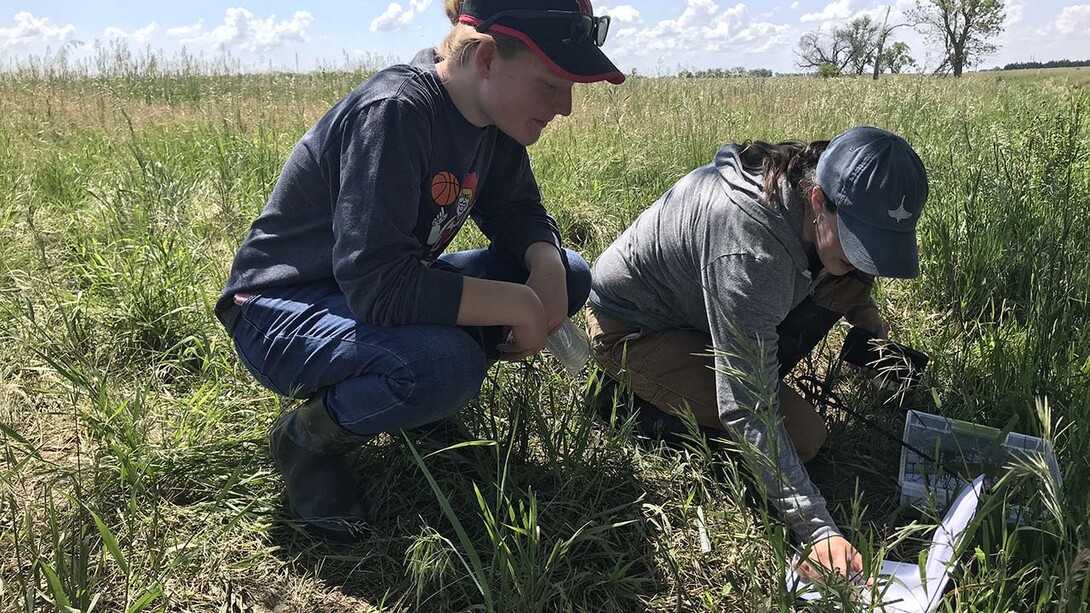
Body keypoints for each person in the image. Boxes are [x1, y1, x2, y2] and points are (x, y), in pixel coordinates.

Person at [214, 0, 624, 539]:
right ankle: (305, 440)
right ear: (486, 58)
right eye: (551, 85)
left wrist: (543, 257)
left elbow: (517, 211)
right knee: (447, 365)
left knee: (568, 274)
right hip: (280, 312)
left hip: (368, 290)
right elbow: (377, 284)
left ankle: (415, 399)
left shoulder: (489, 118)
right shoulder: (397, 112)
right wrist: (518, 304)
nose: (566, 107)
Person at [585, 126, 928, 581]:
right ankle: (626, 401)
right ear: (820, 200)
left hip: (707, 310)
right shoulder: (752, 252)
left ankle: (738, 362)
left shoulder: (806, 190)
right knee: (804, 437)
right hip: (636, 330)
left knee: (843, 274)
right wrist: (819, 531)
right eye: (858, 243)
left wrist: (878, 347)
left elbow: (854, 284)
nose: (867, 262)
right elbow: (746, 408)